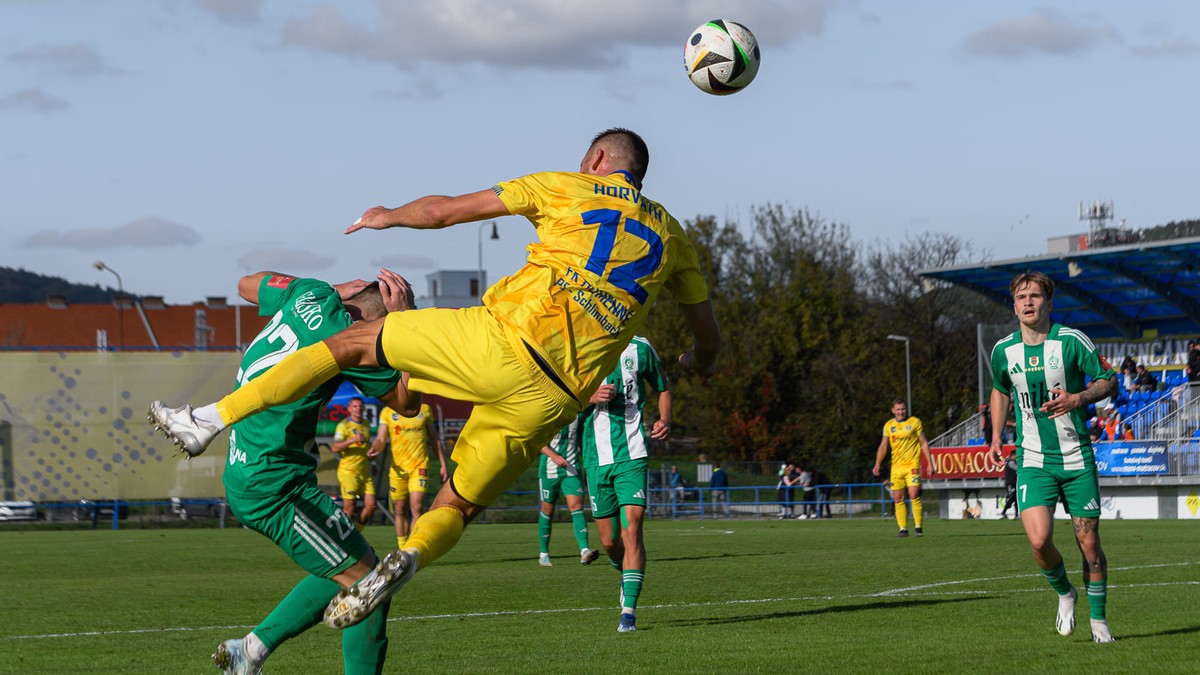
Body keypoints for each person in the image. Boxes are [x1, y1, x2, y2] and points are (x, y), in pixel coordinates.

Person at [148, 127, 722, 632]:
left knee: (351, 342)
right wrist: (699, 359)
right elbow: (709, 337)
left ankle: (207, 420)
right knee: (459, 503)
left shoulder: (565, 186)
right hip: (555, 399)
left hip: (503, 341)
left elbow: (445, 211)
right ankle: (412, 557)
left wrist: (387, 216)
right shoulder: (674, 237)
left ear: (597, 159)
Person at [151, 270, 414, 674]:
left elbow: (243, 283)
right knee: (373, 584)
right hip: (273, 486)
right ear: (376, 320)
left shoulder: (309, 293)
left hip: (260, 471)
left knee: (357, 566)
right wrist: (406, 322)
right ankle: (250, 652)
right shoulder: (350, 339)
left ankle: (249, 651)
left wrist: (330, 286)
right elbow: (406, 401)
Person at [987, 271, 1117, 644]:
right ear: (1014, 305)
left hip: (1076, 458)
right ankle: (1065, 593)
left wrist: (1077, 399)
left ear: (1049, 302)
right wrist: (996, 435)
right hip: (1033, 459)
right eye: (1021, 296)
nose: (1028, 302)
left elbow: (1109, 380)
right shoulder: (1003, 351)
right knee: (1039, 541)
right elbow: (1000, 390)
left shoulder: (1072, 341)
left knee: (1089, 545)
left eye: (1035, 296)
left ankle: (1099, 620)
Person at [581, 334, 672, 633]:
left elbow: (663, 388)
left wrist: (665, 419)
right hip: (596, 458)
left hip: (633, 454)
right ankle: (625, 573)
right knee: (609, 542)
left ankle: (628, 614)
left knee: (632, 530)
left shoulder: (641, 346)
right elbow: (563, 398)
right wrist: (590, 396)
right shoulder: (582, 345)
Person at [372, 400, 448, 549]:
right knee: (399, 508)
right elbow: (380, 439)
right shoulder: (388, 411)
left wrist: (443, 464)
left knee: (417, 506)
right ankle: (402, 547)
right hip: (398, 469)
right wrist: (374, 448)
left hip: (419, 467)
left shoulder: (425, 409)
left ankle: (412, 549)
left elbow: (434, 438)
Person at [536, 414, 600, 567]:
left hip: (571, 469)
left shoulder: (578, 414)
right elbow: (537, 440)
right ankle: (543, 554)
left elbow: (582, 437)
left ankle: (584, 551)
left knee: (577, 508)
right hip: (549, 471)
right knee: (547, 510)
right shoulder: (548, 413)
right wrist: (553, 455)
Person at [873, 399, 936, 537]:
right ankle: (903, 529)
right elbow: (883, 446)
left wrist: (930, 463)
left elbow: (924, 443)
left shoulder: (914, 422)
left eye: (903, 409)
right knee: (898, 499)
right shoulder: (889, 426)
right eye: (898, 409)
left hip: (912, 465)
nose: (901, 412)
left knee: (914, 494)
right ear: (893, 410)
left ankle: (918, 527)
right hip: (896, 468)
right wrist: (878, 463)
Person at [332, 397, 379, 528]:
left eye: (360, 406)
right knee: (349, 508)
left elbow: (366, 448)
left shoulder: (366, 425)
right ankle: (344, 539)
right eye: (355, 406)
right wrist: (351, 440)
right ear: (349, 409)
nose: (358, 409)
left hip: (364, 471)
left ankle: (357, 534)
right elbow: (335, 447)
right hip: (348, 472)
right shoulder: (343, 425)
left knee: (371, 506)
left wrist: (373, 462)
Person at [1001, 453, 1019, 519]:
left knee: (1016, 499)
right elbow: (1017, 468)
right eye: (1015, 455)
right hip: (1010, 484)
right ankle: (1004, 512)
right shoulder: (1010, 463)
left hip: (1015, 483)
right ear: (1012, 456)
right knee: (1012, 498)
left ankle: (1016, 515)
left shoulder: (1013, 462)